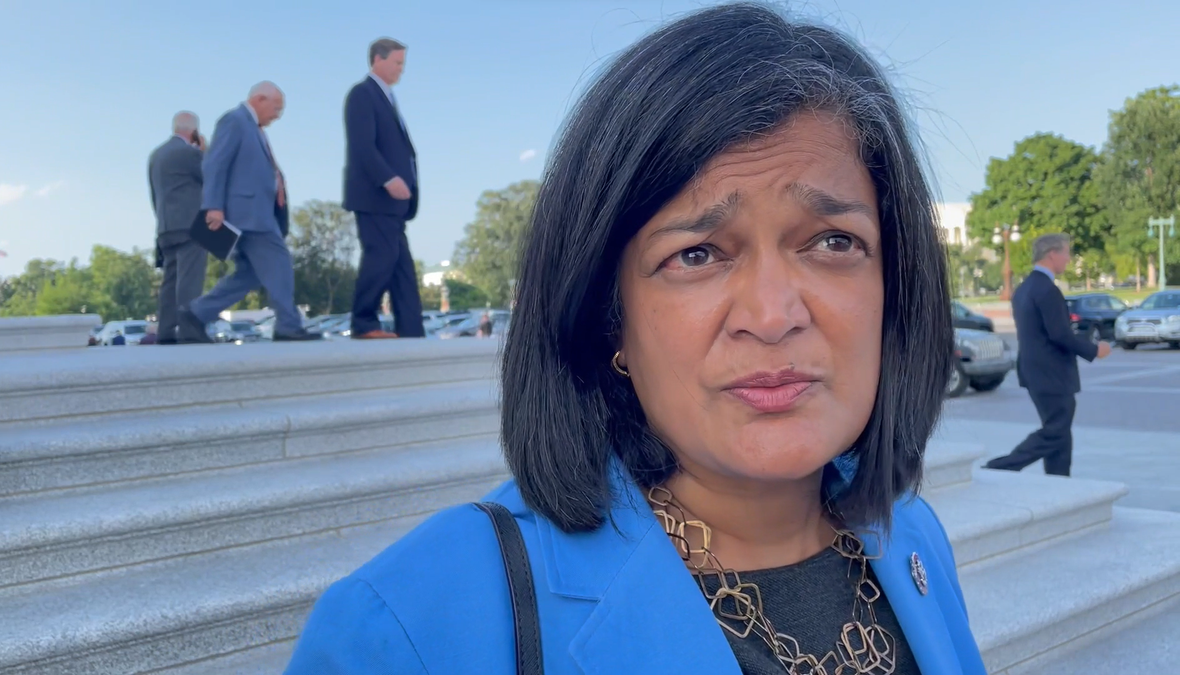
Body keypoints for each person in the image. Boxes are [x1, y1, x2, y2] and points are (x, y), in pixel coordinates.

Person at [284, 4, 985, 674]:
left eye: (834, 241)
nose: (772, 316)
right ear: (608, 315)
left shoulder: (910, 538)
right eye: (698, 253)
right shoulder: (411, 625)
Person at [180, 82, 320, 343]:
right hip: (247, 215)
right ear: (259, 99)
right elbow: (215, 163)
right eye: (276, 108)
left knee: (249, 275)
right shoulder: (235, 120)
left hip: (254, 213)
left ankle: (196, 314)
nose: (278, 115)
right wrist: (213, 206)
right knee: (279, 263)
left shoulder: (252, 128)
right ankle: (288, 325)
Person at [984, 234, 1110, 477]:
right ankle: (1002, 466)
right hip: (1052, 375)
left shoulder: (1023, 289)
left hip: (1035, 373)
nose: (1068, 259)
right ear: (1052, 253)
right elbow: (1060, 334)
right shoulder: (1046, 290)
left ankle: (1059, 480)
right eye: (1066, 253)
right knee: (1056, 430)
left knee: (1059, 430)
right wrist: (1095, 350)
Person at [343, 37, 425, 340]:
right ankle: (363, 322)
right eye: (398, 63)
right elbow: (362, 146)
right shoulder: (362, 95)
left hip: (394, 206)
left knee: (402, 270)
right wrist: (388, 179)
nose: (401, 69)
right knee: (381, 257)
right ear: (378, 60)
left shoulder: (388, 98)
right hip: (375, 197)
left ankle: (412, 331)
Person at [148, 111, 208, 344]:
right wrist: (205, 150)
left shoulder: (156, 155)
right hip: (191, 225)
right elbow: (212, 175)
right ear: (194, 132)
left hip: (165, 226)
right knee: (189, 280)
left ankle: (165, 331)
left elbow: (155, 194)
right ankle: (189, 331)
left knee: (170, 281)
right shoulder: (190, 154)